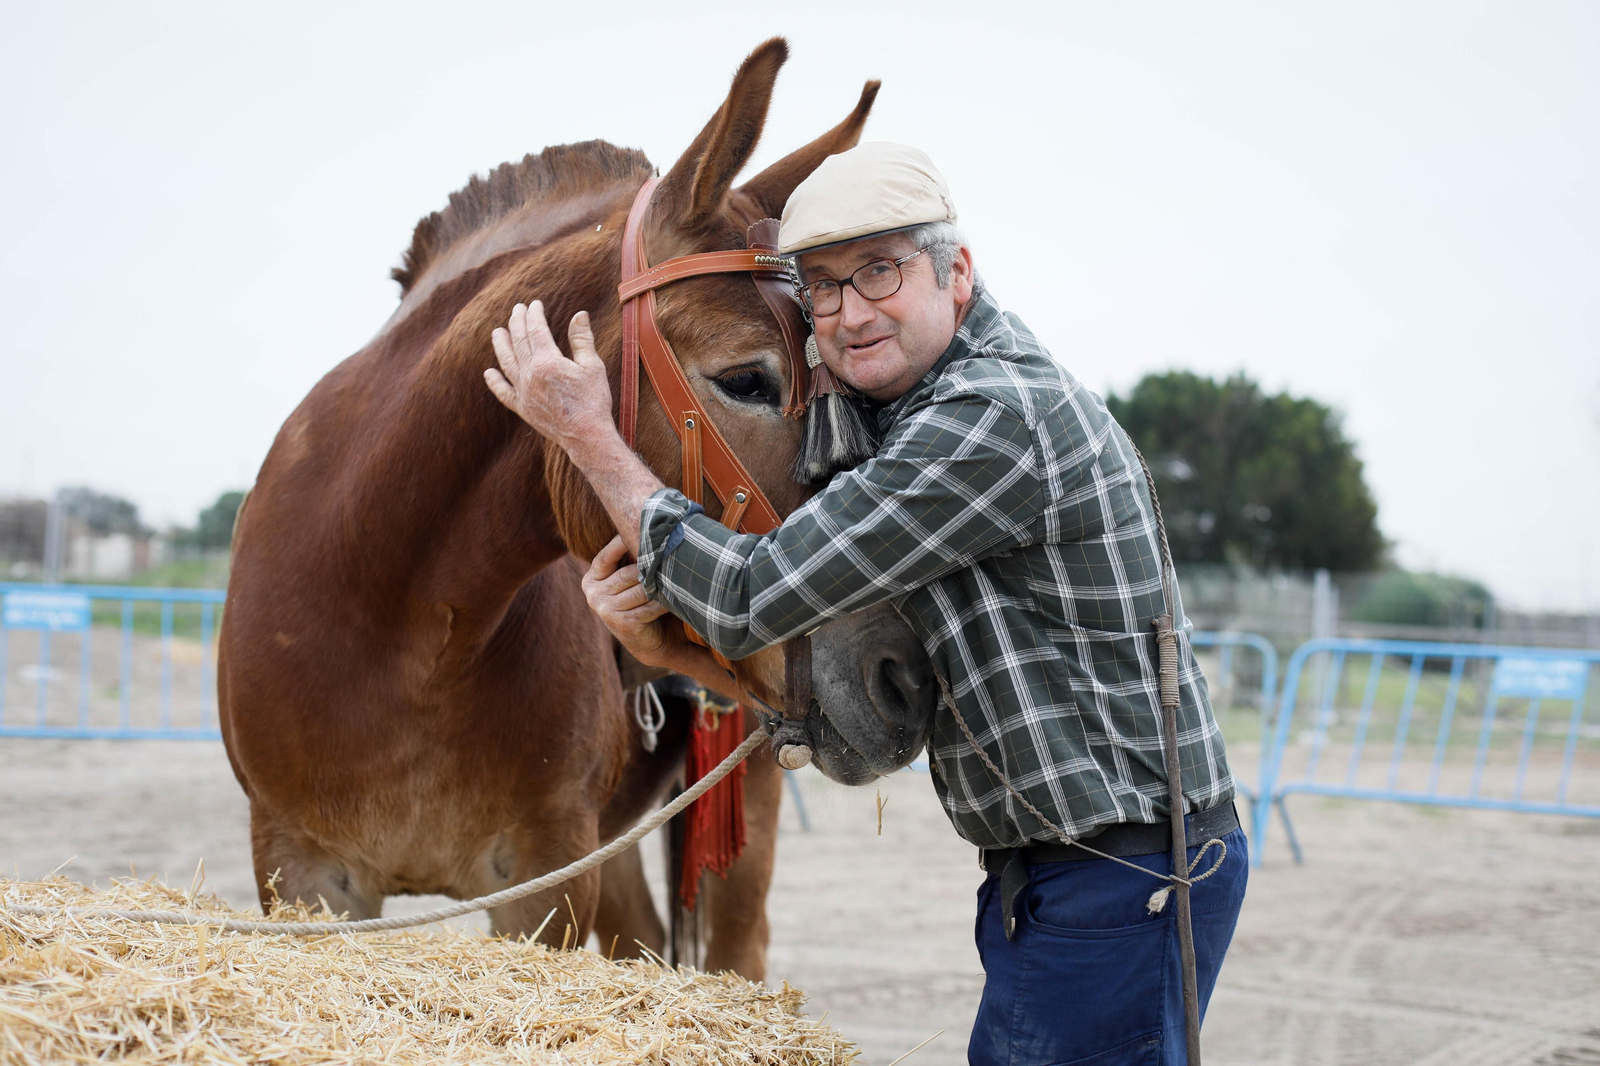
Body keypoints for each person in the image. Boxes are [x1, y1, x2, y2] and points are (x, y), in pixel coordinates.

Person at [484, 141, 1248, 1066]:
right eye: (824, 289)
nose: (848, 313)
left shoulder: (987, 423)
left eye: (878, 272)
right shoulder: (918, 410)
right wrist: (671, 652)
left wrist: (589, 437)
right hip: (1058, 870)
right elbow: (844, 728)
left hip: (1121, 876)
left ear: (956, 273)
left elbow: (753, 592)